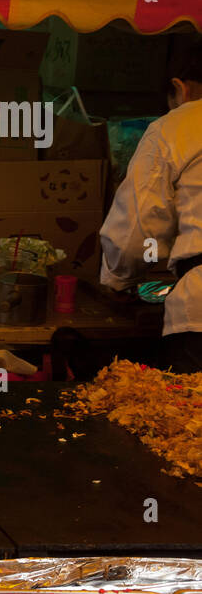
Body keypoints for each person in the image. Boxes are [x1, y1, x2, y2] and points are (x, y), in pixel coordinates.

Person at [99, 41, 202, 372]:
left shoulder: (175, 127)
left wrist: (120, 279)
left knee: (190, 421)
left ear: (178, 88)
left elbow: (139, 226)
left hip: (199, 315)